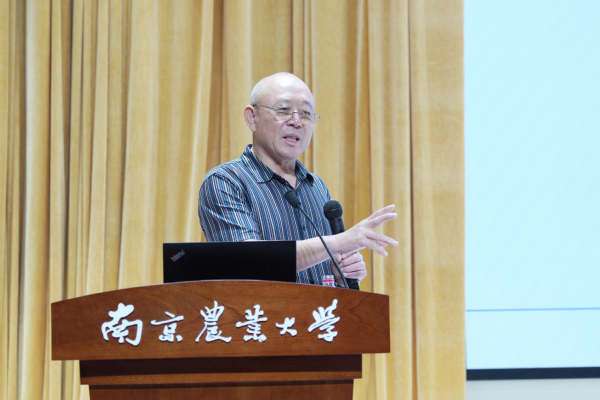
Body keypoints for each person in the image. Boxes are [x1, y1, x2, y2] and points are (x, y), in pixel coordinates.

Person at [198, 72, 398, 286]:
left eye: (305, 113)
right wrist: (338, 242)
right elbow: (248, 263)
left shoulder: (316, 186)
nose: (296, 121)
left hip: (320, 309)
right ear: (252, 118)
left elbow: (326, 269)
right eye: (283, 110)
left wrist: (340, 275)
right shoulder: (225, 182)